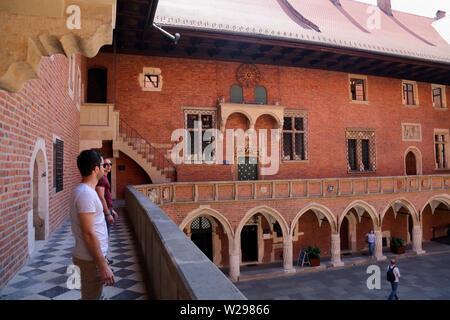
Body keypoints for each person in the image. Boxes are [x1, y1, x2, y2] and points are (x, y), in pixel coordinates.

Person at [70, 150, 115, 300]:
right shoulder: (86, 194)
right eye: (103, 165)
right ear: (96, 169)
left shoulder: (86, 191)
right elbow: (88, 233)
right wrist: (102, 265)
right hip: (90, 261)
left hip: (91, 258)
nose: (105, 168)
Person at [95, 156, 118, 265]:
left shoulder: (105, 178)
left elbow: (107, 197)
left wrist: (112, 210)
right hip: (105, 212)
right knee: (104, 237)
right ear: (101, 166)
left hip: (108, 209)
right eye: (105, 165)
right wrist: (108, 213)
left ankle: (104, 259)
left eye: (110, 164)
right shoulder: (102, 179)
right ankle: (103, 263)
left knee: (106, 236)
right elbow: (101, 197)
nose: (108, 166)